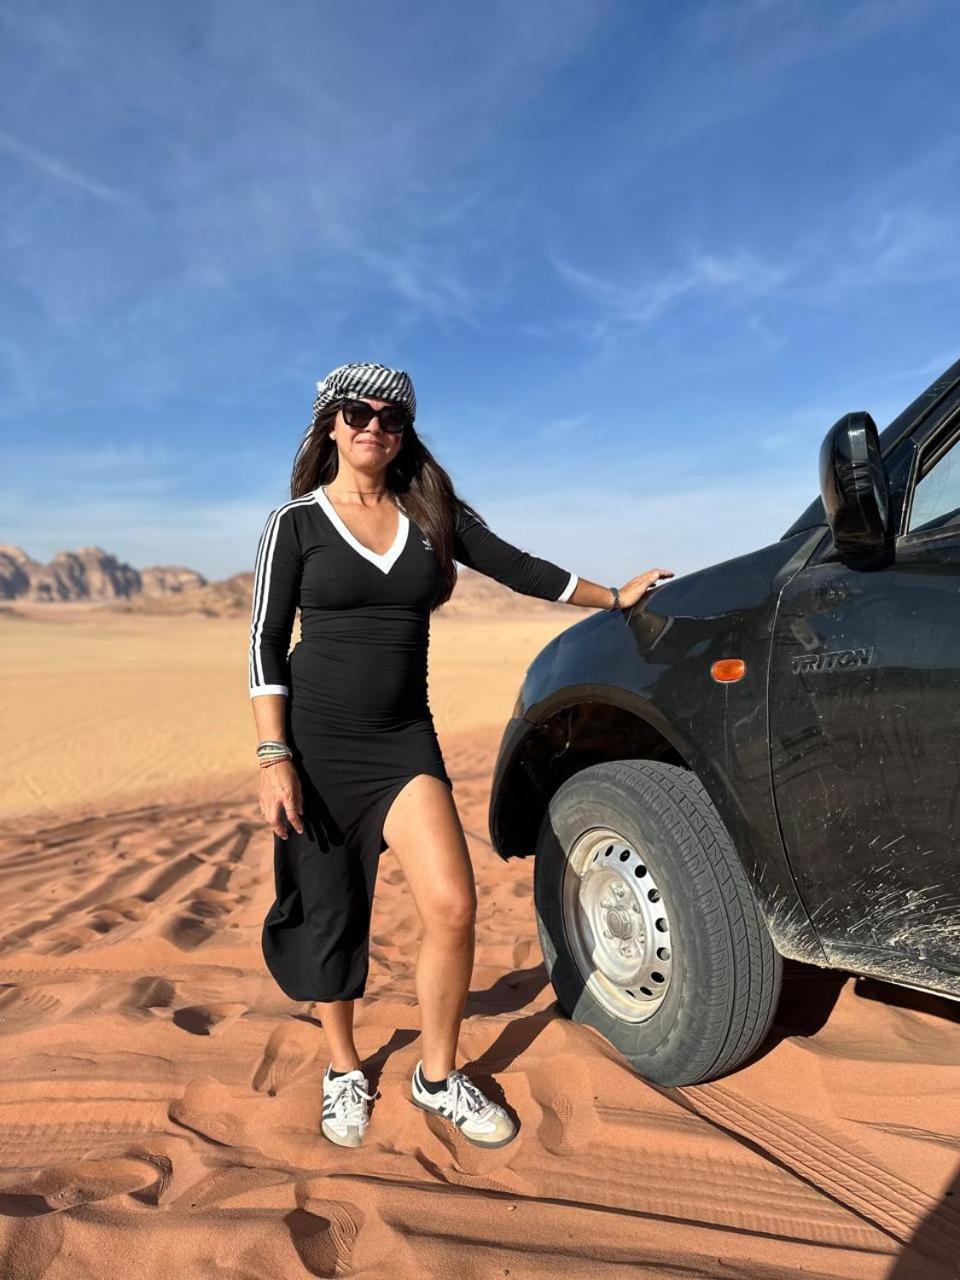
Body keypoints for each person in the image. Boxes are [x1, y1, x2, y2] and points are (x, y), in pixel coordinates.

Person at [248, 361, 672, 1149]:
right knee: (332, 916)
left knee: (452, 904)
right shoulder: (296, 523)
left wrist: (614, 596)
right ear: (330, 424)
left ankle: (437, 1076)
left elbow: (518, 567)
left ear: (405, 432)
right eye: (358, 413)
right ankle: (343, 1067)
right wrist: (275, 756)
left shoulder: (428, 514)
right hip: (316, 748)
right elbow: (265, 641)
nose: (375, 426)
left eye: (392, 417)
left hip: (403, 741)